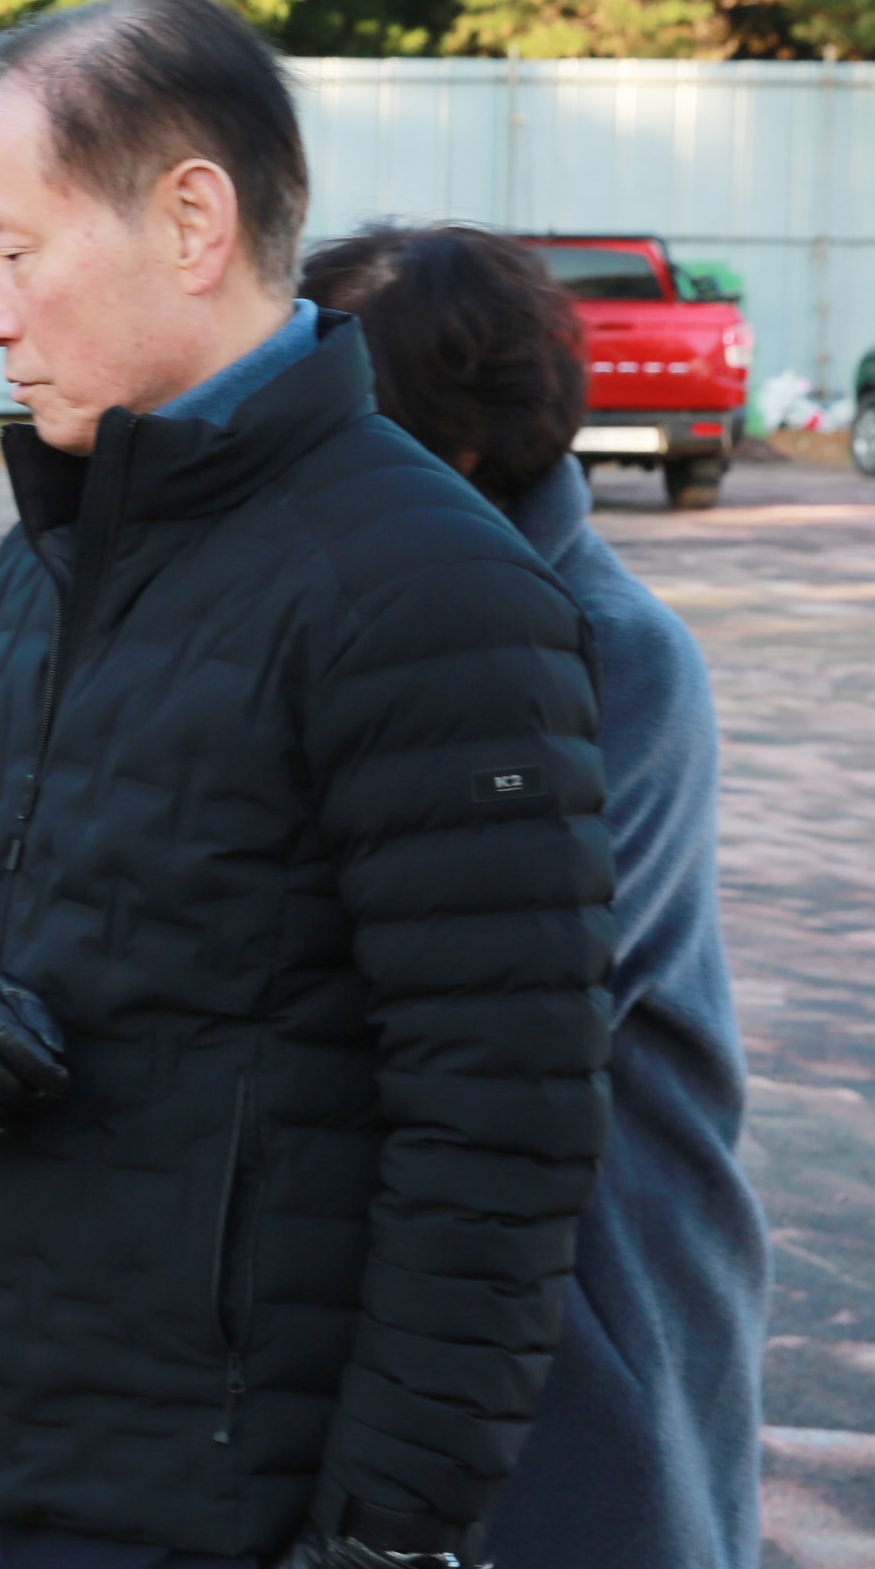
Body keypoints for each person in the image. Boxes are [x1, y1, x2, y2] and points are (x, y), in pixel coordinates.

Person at [0, 0, 616, 1569]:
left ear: (190, 221)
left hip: (252, 1493)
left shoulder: (424, 593)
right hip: (39, 1439)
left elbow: (501, 1129)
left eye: (14, 247)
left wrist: (388, 1532)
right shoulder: (64, 539)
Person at [299, 223, 769, 1569]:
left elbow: (471, 999)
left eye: (326, 422)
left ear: (447, 449)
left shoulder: (614, 658)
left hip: (585, 1294)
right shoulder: (335, 612)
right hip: (378, 1291)